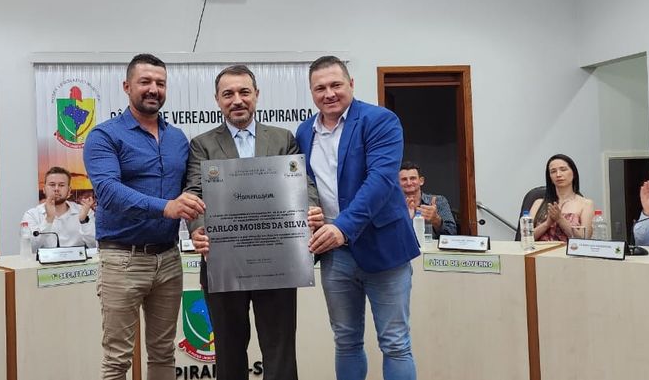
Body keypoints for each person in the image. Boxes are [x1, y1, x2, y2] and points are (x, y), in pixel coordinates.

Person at [185, 65, 323, 380]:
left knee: (280, 350)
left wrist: (312, 208)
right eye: (228, 94)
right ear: (217, 100)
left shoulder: (282, 138)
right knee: (229, 352)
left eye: (244, 92)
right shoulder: (202, 144)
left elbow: (302, 183)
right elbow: (194, 192)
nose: (237, 100)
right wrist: (198, 228)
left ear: (256, 95)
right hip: (223, 262)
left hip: (278, 262)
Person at [295, 56, 420, 380]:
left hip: (384, 249)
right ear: (311, 92)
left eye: (336, 85)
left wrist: (342, 227)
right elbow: (305, 184)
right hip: (335, 254)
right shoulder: (305, 132)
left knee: (395, 343)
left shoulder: (380, 120)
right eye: (320, 88)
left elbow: (380, 181)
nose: (329, 93)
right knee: (346, 341)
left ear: (351, 84)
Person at [84, 53, 206, 380]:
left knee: (164, 352)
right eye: (145, 82)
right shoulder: (104, 136)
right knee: (117, 359)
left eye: (160, 83)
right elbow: (108, 191)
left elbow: (191, 192)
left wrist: (198, 227)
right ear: (127, 87)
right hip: (122, 259)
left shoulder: (178, 139)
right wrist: (165, 207)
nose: (153, 89)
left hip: (168, 259)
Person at [22, 166, 96, 251]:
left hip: (77, 259)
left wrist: (83, 221)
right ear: (44, 189)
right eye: (52, 185)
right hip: (45, 260)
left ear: (69, 190)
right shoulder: (31, 215)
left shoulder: (85, 212)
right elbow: (30, 248)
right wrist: (48, 219)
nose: (56, 189)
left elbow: (94, 246)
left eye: (61, 185)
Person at [529, 154, 595, 242]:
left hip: (568, 251)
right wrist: (547, 224)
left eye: (563, 169)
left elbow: (584, 241)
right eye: (553, 171)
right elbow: (526, 238)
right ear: (550, 178)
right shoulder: (538, 203)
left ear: (574, 173)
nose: (558, 174)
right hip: (539, 250)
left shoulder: (586, 204)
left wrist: (560, 219)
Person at [399, 161, 458, 238]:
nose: (409, 183)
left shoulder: (439, 201)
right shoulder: (392, 206)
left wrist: (436, 220)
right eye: (404, 179)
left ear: (421, 181)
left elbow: (452, 234)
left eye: (413, 178)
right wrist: (405, 219)